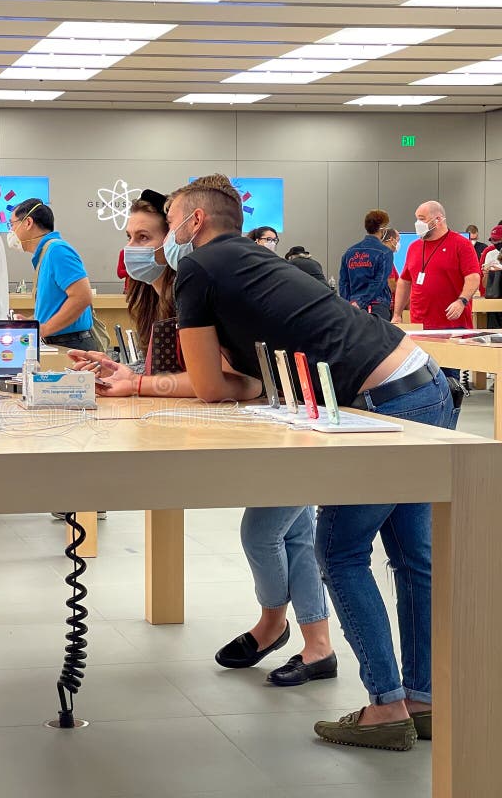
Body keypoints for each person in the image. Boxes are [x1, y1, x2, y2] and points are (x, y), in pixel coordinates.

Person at [160, 174, 452, 751]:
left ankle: (385, 708)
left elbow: (212, 387)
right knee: (411, 556)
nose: (163, 237)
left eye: (167, 221)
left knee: (339, 552)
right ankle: (422, 701)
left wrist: (140, 385)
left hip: (378, 405)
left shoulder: (197, 267)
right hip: (424, 382)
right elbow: (253, 382)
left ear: (195, 222)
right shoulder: (257, 261)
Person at [73, 189, 337, 688]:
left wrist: (140, 384)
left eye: (148, 235)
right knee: (295, 532)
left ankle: (277, 627)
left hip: (285, 419)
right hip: (273, 417)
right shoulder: (163, 294)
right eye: (129, 237)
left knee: (266, 533)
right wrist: (129, 374)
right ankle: (312, 642)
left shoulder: (201, 285)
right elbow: (181, 373)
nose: (135, 248)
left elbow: (212, 380)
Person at [392, 201, 481, 382]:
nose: (418, 223)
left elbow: (473, 277)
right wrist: (397, 314)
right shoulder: (414, 247)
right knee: (422, 379)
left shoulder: (461, 245)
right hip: (420, 327)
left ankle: (451, 410)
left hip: (451, 326)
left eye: (422, 219)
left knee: (449, 380)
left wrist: (462, 300)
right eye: (417, 219)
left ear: (438, 219)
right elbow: (404, 281)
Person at [7, 198, 94, 350]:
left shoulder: (57, 250)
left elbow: (82, 296)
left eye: (12, 224)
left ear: (28, 223)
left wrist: (45, 329)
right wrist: (33, 321)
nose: (11, 231)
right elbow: (55, 305)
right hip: (59, 341)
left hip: (71, 344)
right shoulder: (45, 254)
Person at [338, 210, 395, 321]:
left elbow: (343, 282)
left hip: (352, 306)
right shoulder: (385, 252)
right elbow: (379, 282)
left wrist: (350, 303)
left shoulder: (349, 252)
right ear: (382, 228)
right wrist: (361, 302)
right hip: (377, 306)